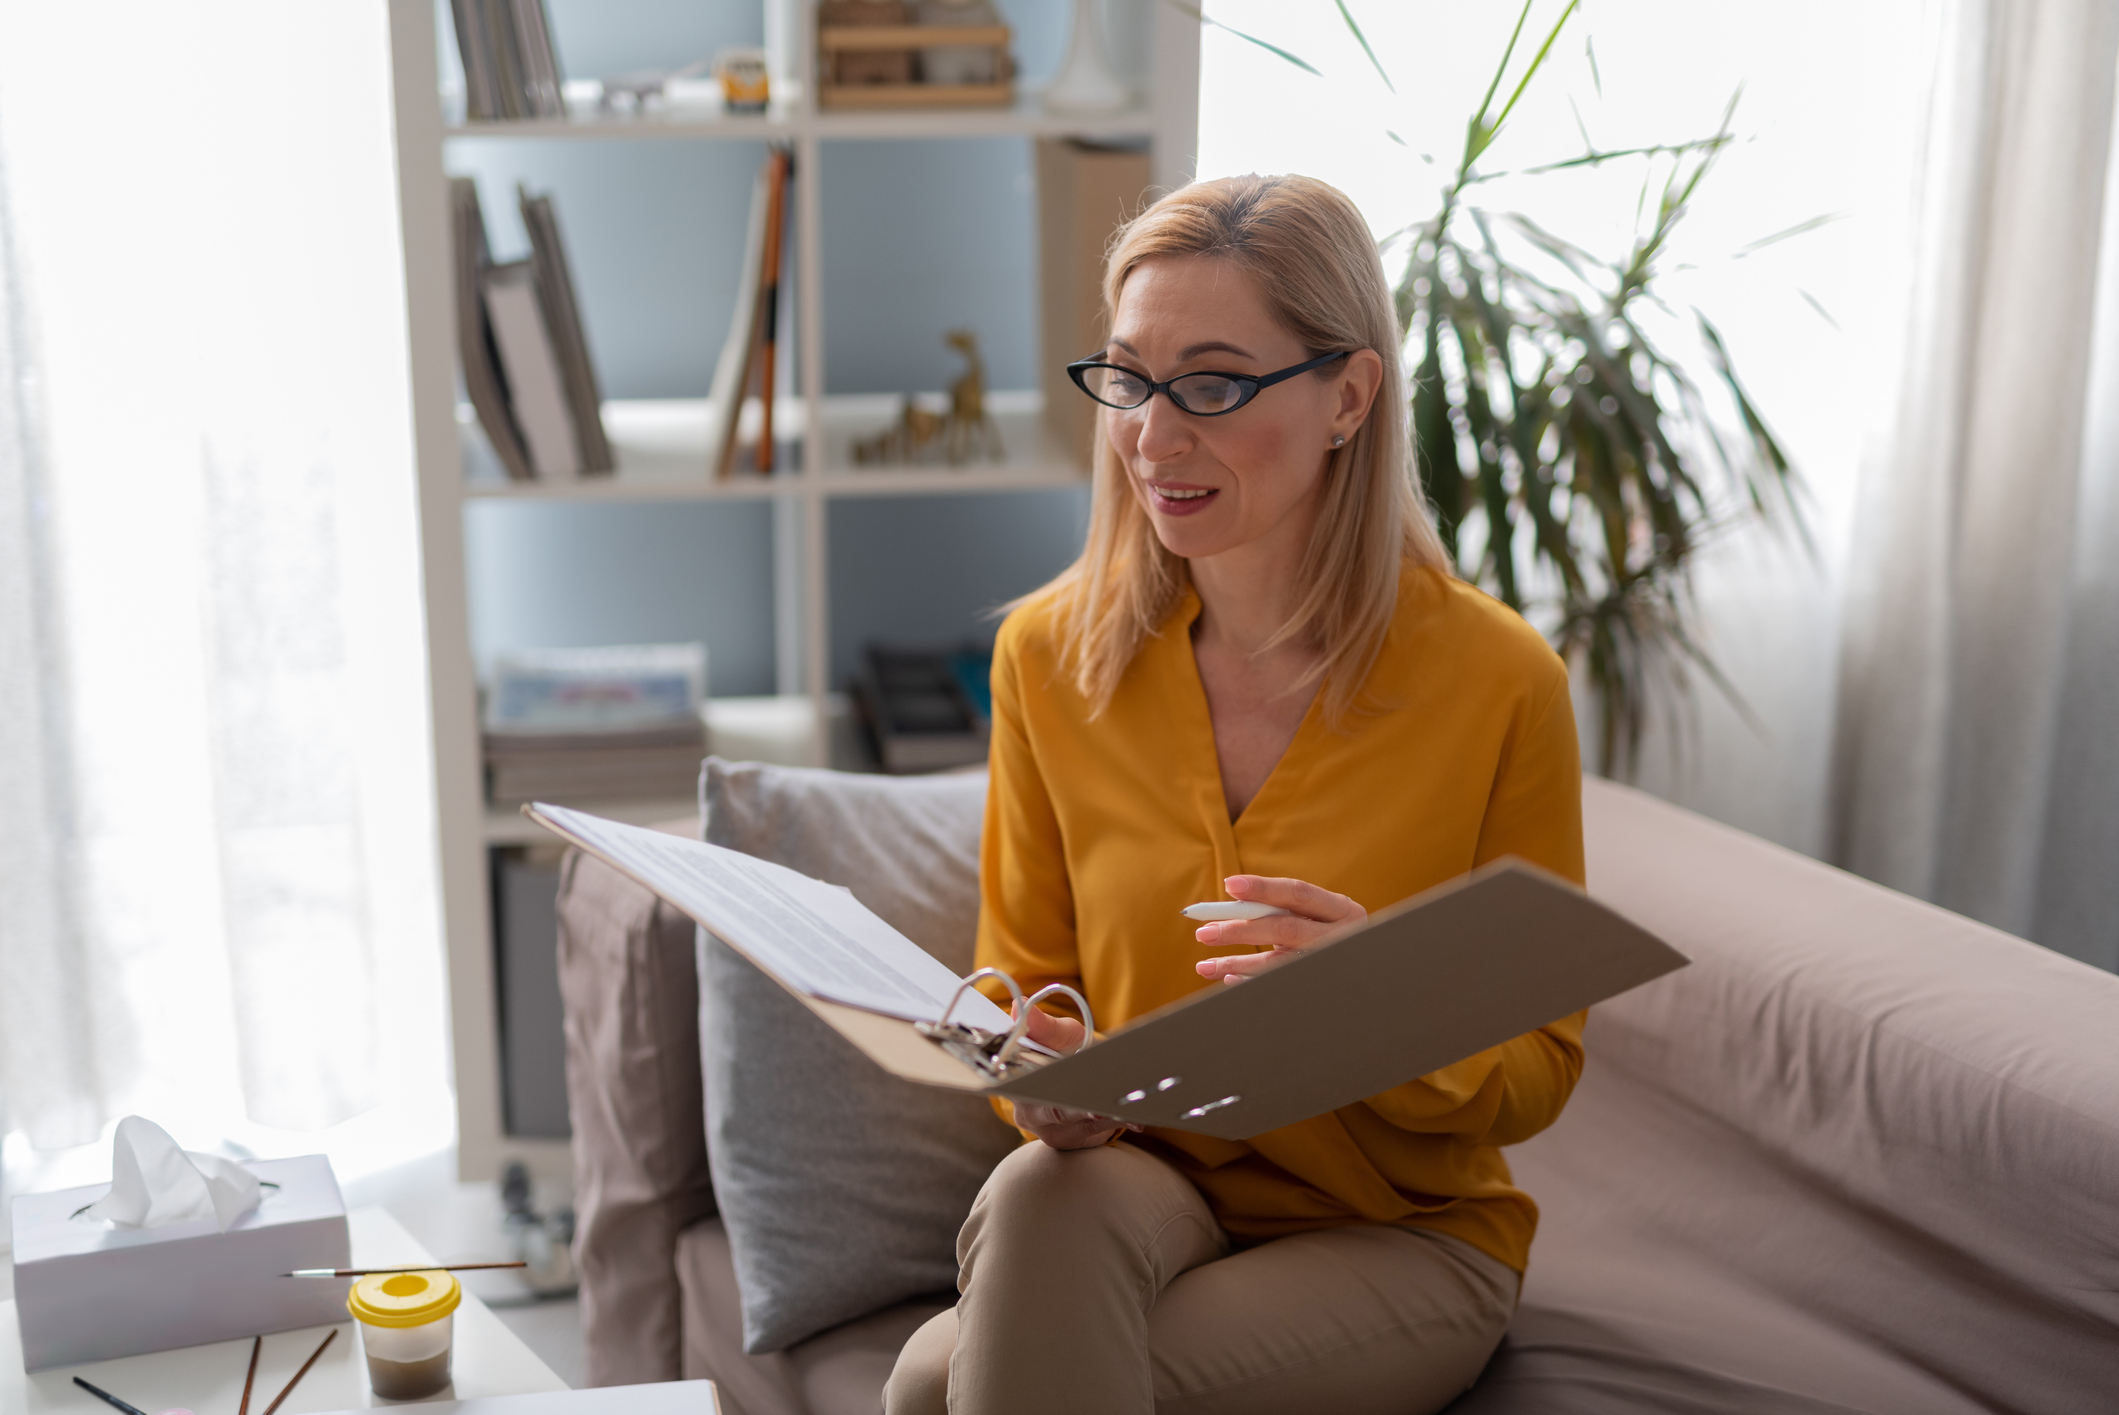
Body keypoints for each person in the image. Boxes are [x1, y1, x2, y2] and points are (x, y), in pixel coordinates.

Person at [884, 173, 1585, 1415]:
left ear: (1347, 397)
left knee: (940, 1381)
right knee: (1041, 1189)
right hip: (1153, 1184)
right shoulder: (1050, 656)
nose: (1153, 436)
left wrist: (1386, 1004)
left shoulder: (1496, 680)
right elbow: (1019, 975)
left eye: (1210, 384)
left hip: (1403, 1229)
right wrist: (1038, 1071)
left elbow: (1539, 1067)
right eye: (1126, 377)